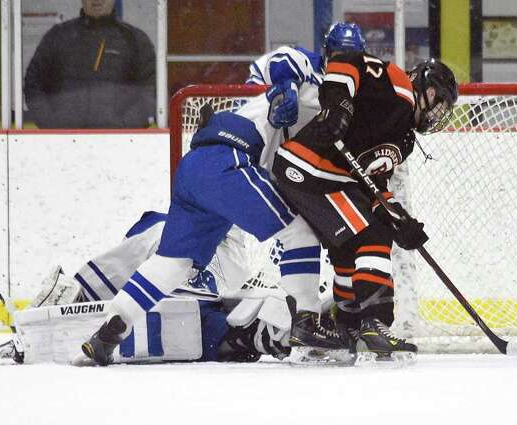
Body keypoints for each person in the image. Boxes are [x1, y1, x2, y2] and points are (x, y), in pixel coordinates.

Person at [77, 29, 357, 366]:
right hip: (229, 160)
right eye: (339, 55)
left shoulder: (335, 112)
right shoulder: (310, 71)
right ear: (327, 54)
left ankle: (110, 331)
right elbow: (283, 61)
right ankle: (307, 322)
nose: (343, 63)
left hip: (196, 170)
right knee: (299, 232)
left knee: (174, 264)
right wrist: (286, 89)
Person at [272, 23, 459, 361]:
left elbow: (373, 186)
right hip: (307, 167)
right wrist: (338, 106)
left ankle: (346, 325)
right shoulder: (399, 85)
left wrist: (399, 217)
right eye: (438, 101)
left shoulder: (403, 140)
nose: (437, 112)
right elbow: (347, 62)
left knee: (350, 248)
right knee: (373, 232)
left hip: (326, 179)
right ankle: (375, 322)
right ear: (424, 85)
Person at [0, 211, 298, 365]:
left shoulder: (157, 231)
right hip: (200, 322)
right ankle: (252, 337)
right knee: (215, 327)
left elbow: (97, 281)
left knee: (132, 312)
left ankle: (250, 338)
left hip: (150, 317)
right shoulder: (233, 252)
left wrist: (49, 313)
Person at [23, 0, 156, 128]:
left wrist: (125, 126)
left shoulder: (134, 39)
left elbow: (150, 89)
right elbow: (33, 82)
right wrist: (52, 124)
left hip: (120, 145)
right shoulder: (58, 36)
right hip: (62, 143)